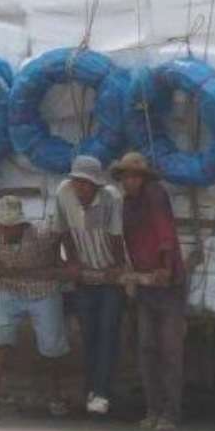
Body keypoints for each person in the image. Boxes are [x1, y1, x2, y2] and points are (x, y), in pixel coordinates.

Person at [0, 196, 71, 420]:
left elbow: (61, 235)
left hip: (43, 290)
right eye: (4, 226)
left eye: (12, 226)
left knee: (51, 345)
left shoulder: (40, 233)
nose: (7, 230)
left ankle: (55, 396)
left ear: (22, 223)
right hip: (10, 290)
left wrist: (61, 261)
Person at [112, 151, 187, 431]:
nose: (130, 181)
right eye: (126, 177)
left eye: (134, 176)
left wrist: (165, 268)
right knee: (146, 349)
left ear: (142, 178)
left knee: (169, 350)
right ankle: (152, 409)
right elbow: (128, 240)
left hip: (168, 285)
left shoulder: (155, 195)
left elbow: (164, 234)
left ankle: (170, 413)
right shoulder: (127, 204)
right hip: (145, 284)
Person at [54, 154, 125, 417]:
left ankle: (102, 391)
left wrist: (117, 268)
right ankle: (90, 390)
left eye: (85, 184)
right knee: (88, 334)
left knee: (108, 332)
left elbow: (116, 236)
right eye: (77, 183)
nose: (80, 189)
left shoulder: (111, 197)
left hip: (108, 276)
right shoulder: (63, 192)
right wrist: (72, 261)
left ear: (96, 185)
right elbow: (62, 230)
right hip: (84, 275)